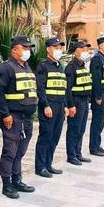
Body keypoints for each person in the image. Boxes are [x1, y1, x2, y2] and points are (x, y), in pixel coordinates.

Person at [0, 35, 37, 199]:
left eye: (28, 48)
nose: (27, 51)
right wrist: (5, 114)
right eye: (24, 48)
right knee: (10, 151)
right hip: (13, 116)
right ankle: (7, 184)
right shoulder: (6, 68)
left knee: (20, 150)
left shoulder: (26, 67)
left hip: (26, 117)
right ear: (14, 50)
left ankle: (17, 179)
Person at [34, 37, 69, 177]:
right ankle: (40, 166)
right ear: (48, 49)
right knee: (46, 136)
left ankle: (48, 164)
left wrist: (65, 105)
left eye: (60, 48)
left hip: (60, 107)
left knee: (55, 137)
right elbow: (40, 88)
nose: (58, 50)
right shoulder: (43, 66)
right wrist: (46, 106)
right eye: (56, 47)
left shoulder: (60, 66)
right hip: (49, 107)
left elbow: (63, 87)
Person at [65, 40, 93, 166]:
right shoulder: (71, 67)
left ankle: (78, 153)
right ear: (76, 51)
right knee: (74, 129)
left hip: (84, 101)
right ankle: (71, 155)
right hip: (76, 101)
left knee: (81, 129)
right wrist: (70, 105)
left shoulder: (82, 66)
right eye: (83, 49)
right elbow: (68, 88)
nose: (85, 52)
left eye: (86, 50)